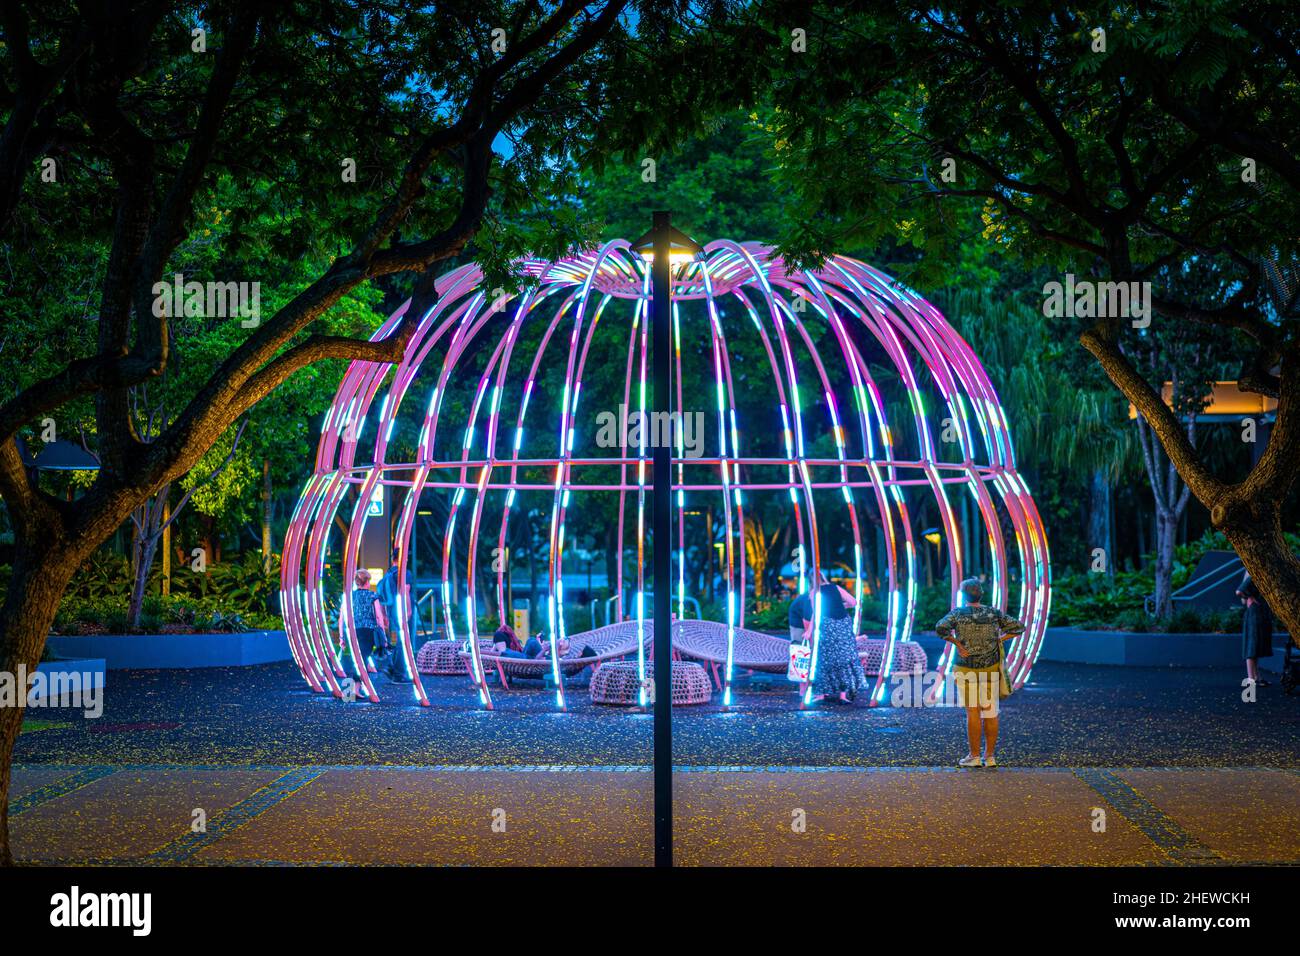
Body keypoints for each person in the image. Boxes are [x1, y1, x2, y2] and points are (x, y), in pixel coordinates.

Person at [934, 578, 1024, 768]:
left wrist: (957, 643)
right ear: (981, 594)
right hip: (990, 665)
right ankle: (989, 756)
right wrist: (1000, 638)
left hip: (965, 666)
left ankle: (974, 756)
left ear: (963, 595)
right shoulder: (992, 612)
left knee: (973, 711)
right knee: (990, 710)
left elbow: (940, 627)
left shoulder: (957, 613)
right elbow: (1019, 627)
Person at [800, 573, 866, 704]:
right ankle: (843, 695)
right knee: (844, 658)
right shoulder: (835, 587)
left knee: (824, 658)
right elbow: (853, 602)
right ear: (823, 577)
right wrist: (841, 606)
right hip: (843, 625)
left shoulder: (814, 592)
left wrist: (809, 630)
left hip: (828, 625)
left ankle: (821, 694)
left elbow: (816, 613)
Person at [375, 548, 414, 681]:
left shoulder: (389, 573)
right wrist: (408, 611)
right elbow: (406, 591)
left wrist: (384, 614)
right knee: (403, 641)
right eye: (406, 557)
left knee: (400, 640)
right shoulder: (404, 573)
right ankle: (399, 674)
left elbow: (382, 595)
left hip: (392, 610)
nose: (408, 559)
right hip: (401, 610)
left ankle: (392, 667)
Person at [1236, 573, 1274, 687]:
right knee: (1251, 646)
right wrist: (1250, 597)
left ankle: (1257, 677)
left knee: (1255, 647)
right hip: (1254, 614)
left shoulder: (1263, 576)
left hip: (1259, 614)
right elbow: (1239, 592)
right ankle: (1251, 678)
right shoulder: (1254, 576)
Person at [349, 569, 387, 668]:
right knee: (365, 654)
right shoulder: (372, 595)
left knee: (360, 654)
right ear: (366, 582)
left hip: (355, 628)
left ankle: (360, 679)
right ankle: (358, 679)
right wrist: (382, 631)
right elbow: (379, 616)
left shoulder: (351, 596)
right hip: (369, 629)